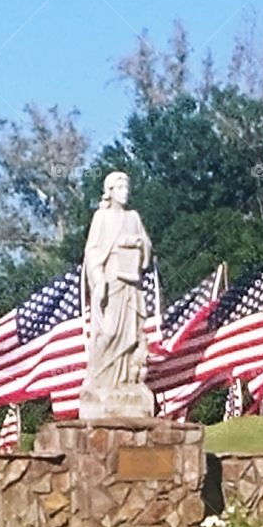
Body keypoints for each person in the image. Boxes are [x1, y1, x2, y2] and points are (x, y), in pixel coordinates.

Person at [79, 171, 154, 415]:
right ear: (109, 191)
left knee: (132, 333)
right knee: (109, 331)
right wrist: (98, 278)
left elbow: (146, 244)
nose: (125, 192)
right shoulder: (101, 217)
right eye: (120, 188)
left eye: (127, 187)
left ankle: (127, 381)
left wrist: (138, 244)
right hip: (110, 281)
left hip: (131, 282)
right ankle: (100, 379)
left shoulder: (133, 217)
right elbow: (92, 252)